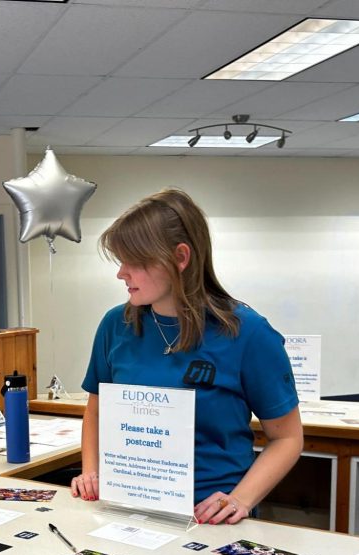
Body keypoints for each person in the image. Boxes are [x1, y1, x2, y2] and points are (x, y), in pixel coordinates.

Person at [71, 189, 303, 524]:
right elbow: (96, 408)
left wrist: (240, 499)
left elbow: (288, 437)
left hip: (210, 516)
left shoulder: (247, 333)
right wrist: (90, 472)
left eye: (135, 261)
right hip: (128, 507)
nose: (121, 273)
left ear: (180, 258)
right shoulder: (115, 325)